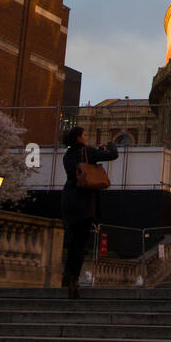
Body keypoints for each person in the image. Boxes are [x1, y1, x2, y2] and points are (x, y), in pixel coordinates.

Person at [60, 127, 119, 299]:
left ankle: (67, 275)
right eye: (84, 135)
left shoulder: (67, 156)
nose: (86, 137)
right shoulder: (88, 151)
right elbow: (112, 155)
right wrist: (110, 144)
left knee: (72, 241)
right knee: (80, 243)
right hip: (84, 202)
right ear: (79, 137)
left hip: (68, 199)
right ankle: (73, 281)